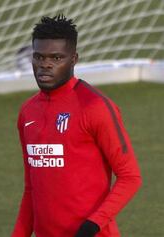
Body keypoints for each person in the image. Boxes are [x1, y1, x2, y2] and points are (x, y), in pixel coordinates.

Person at [11, 15, 142, 237]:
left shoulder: (95, 106)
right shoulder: (27, 112)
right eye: (39, 57)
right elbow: (31, 189)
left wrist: (92, 225)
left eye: (56, 58)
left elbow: (130, 176)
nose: (45, 65)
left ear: (74, 59)